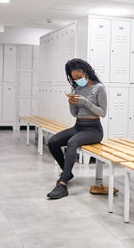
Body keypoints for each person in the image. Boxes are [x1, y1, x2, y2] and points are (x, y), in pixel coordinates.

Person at [47, 58, 107, 199]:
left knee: (72, 142)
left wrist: (85, 102)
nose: (77, 80)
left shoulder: (99, 88)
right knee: (53, 141)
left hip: (94, 130)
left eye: (79, 77)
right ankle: (67, 172)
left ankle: (62, 184)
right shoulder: (76, 88)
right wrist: (72, 103)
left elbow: (103, 113)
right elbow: (74, 114)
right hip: (79, 126)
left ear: (86, 72)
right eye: (74, 78)